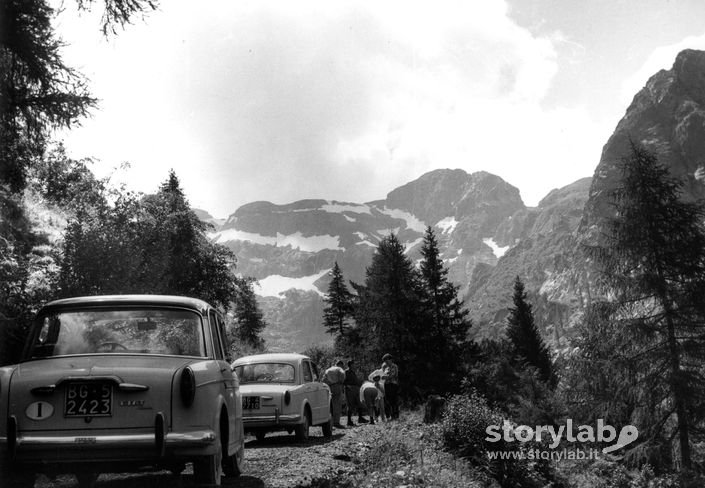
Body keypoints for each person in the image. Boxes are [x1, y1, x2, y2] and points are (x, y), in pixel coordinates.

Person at [323, 359, 347, 428]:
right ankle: (336, 422)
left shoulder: (328, 370)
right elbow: (342, 375)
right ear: (341, 364)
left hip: (329, 387)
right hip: (337, 386)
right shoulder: (339, 369)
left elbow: (324, 379)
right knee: (337, 405)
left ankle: (330, 421)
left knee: (330, 405)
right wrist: (341, 382)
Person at [344, 360, 369, 426]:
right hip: (350, 390)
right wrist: (347, 386)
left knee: (359, 403)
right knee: (350, 405)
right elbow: (343, 381)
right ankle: (349, 421)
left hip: (356, 389)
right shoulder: (346, 372)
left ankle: (360, 418)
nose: (355, 365)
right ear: (351, 365)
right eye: (354, 364)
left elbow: (356, 381)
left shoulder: (354, 372)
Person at [381, 353, 399, 420]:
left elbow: (394, 375)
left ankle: (395, 415)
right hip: (387, 385)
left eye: (386, 360)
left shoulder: (394, 366)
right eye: (385, 361)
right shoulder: (385, 367)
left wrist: (385, 377)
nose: (385, 362)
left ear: (390, 359)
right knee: (388, 400)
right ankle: (390, 415)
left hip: (393, 384)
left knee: (394, 400)